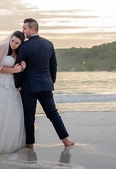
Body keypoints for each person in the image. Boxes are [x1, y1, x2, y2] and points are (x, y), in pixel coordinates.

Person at [14, 18, 75, 148]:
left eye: (24, 28)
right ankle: (65, 141)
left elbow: (19, 66)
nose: (23, 31)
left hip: (29, 86)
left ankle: (30, 144)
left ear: (32, 29)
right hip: (46, 84)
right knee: (53, 113)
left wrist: (17, 84)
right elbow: (53, 65)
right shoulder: (49, 44)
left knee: (29, 115)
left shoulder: (24, 46)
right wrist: (51, 81)